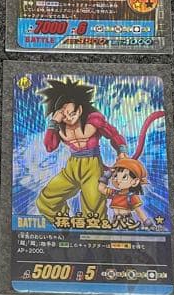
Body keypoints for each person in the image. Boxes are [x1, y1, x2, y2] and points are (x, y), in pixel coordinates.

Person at [36, 78, 126, 221]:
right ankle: (64, 224)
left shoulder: (93, 121)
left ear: (79, 109)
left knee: (94, 211)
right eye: (64, 115)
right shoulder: (59, 127)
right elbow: (49, 146)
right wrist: (53, 122)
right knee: (46, 199)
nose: (69, 118)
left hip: (92, 167)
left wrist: (121, 151)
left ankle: (94, 233)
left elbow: (113, 135)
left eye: (72, 113)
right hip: (72, 167)